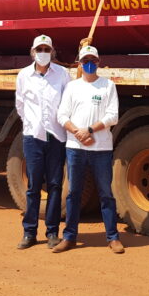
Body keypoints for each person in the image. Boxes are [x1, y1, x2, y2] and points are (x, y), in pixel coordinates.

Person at [53, 44, 123, 254]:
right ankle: (69, 237)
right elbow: (62, 115)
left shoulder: (108, 86)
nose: (89, 64)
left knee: (105, 193)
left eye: (93, 61)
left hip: (101, 148)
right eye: (85, 61)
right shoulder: (73, 87)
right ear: (80, 64)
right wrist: (78, 132)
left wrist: (90, 130)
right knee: (74, 193)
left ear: (98, 63)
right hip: (75, 148)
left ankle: (112, 237)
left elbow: (113, 116)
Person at [14, 34, 69, 249]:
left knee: (55, 185)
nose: (43, 53)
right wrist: (31, 124)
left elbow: (68, 101)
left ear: (52, 52)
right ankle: (29, 233)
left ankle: (53, 232)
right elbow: (20, 104)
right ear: (33, 52)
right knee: (34, 186)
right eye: (40, 49)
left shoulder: (63, 74)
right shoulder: (24, 75)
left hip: (56, 136)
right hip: (33, 137)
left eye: (47, 49)